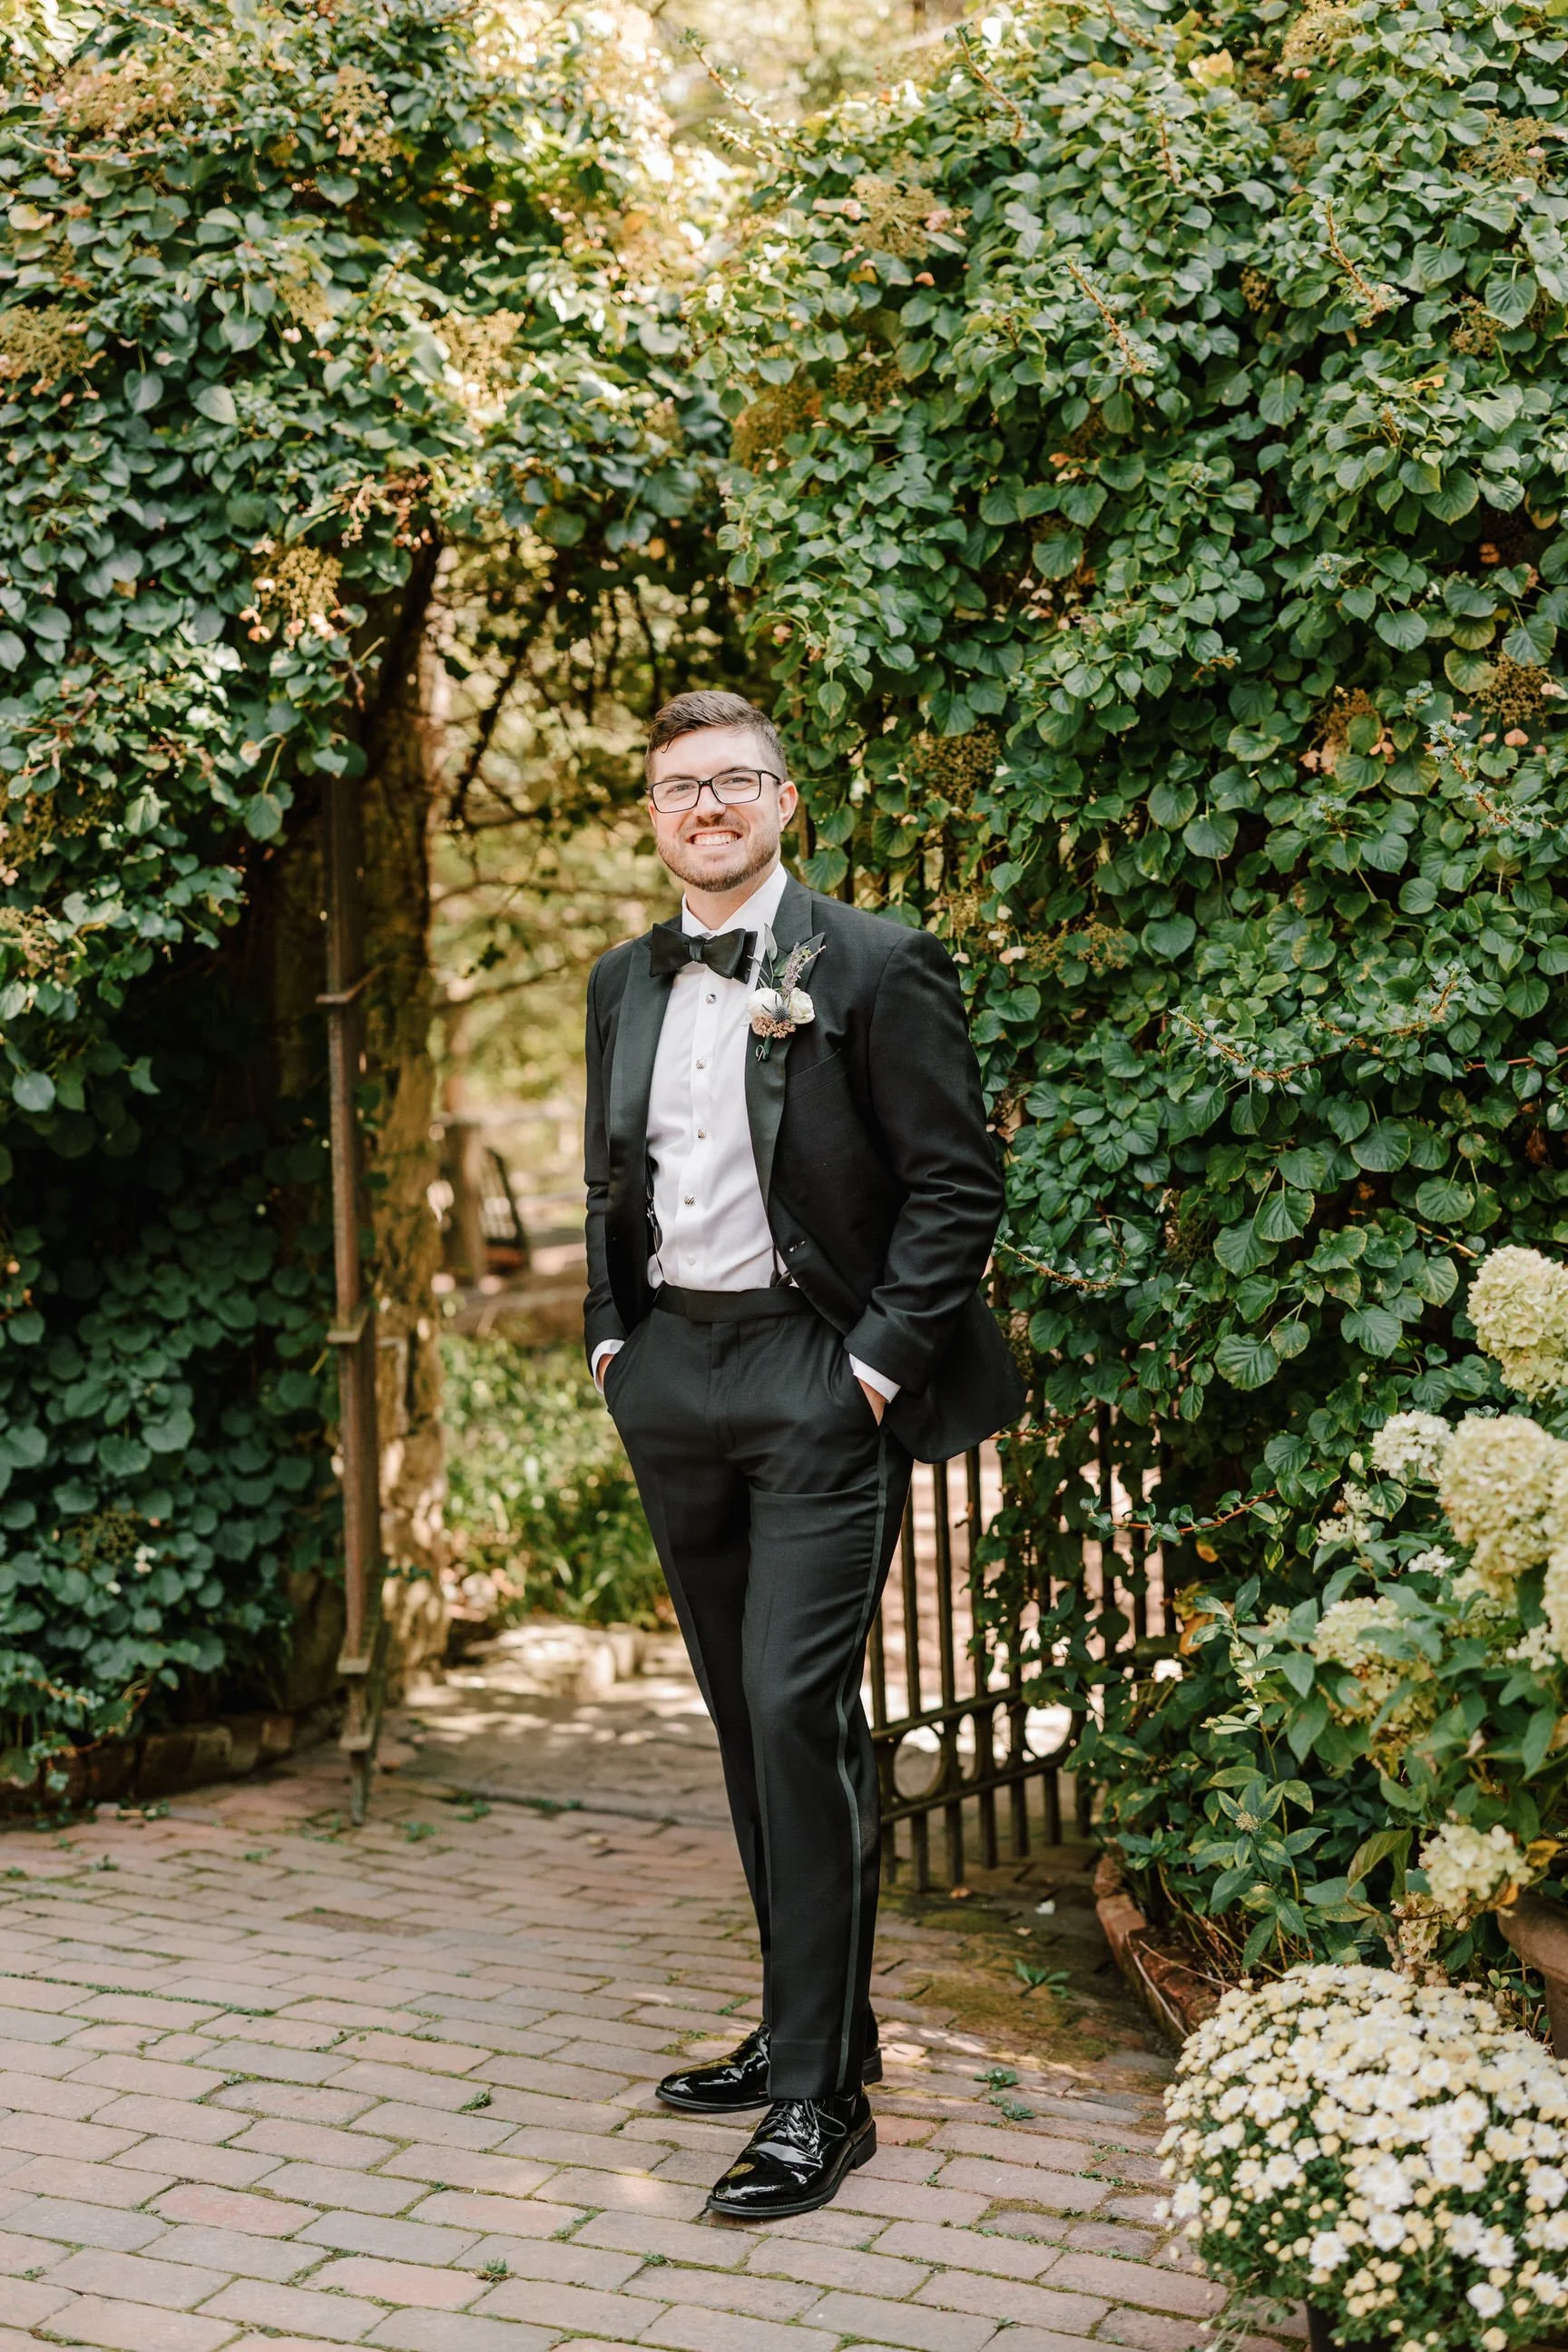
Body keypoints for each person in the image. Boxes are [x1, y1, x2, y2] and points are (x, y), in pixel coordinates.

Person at [582, 689, 1023, 2220]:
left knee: (795, 1708)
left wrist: (877, 1372)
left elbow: (957, 1186)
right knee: (737, 1710)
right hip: (673, 1371)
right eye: (675, 789)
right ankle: (806, 2026)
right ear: (653, 816)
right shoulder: (623, 979)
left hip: (814, 1371)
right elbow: (609, 1179)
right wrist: (608, 1340)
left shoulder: (879, 965)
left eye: (732, 783)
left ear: (784, 803)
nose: (704, 808)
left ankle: (818, 2102)